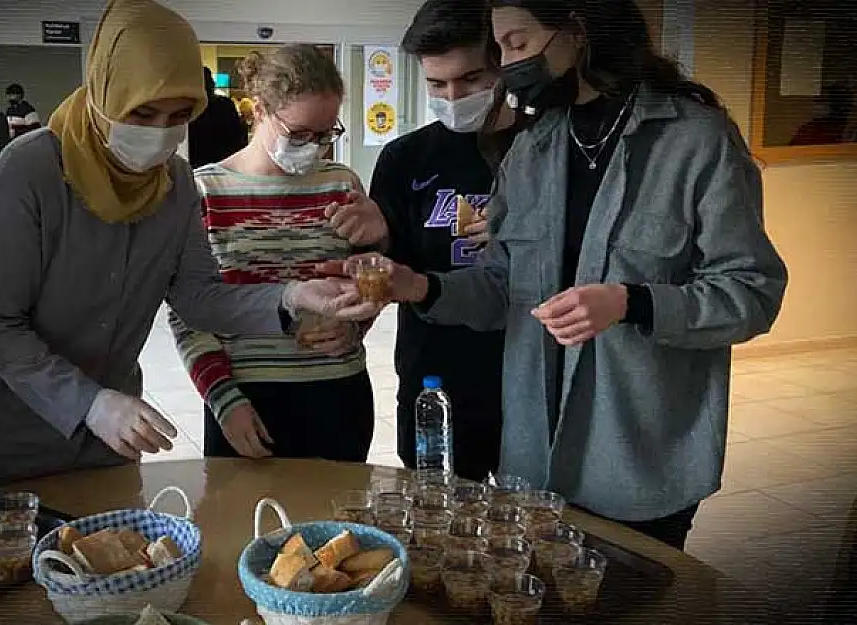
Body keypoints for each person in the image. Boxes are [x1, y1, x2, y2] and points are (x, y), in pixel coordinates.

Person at [332, 0, 788, 550]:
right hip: (533, 457)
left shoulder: (695, 140)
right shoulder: (536, 144)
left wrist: (632, 302)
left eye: (518, 44)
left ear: (578, 29)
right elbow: (504, 285)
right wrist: (420, 285)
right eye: (499, 49)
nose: (508, 63)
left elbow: (752, 290)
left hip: (635, 450)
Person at [0, 0, 370, 485]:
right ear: (104, 94)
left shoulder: (174, 182)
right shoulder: (29, 172)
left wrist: (290, 296)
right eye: (143, 112)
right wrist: (90, 403)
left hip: (102, 441)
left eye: (177, 116)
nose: (158, 134)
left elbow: (199, 298)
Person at [169, 45, 375, 461]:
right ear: (259, 110)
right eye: (299, 134)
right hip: (246, 397)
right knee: (243, 522)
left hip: (338, 388)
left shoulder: (341, 183)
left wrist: (355, 326)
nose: (314, 148)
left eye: (326, 135)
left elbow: (368, 281)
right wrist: (223, 398)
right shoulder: (204, 191)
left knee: (336, 522)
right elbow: (187, 313)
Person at [366, 0, 514, 482]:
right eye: (436, 84)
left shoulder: (543, 150)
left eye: (471, 79)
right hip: (435, 373)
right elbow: (390, 274)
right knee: (441, 515)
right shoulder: (404, 159)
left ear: (503, 65)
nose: (453, 95)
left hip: (525, 370)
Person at [187, 66, 248, 168]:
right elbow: (237, 136)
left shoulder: (188, 109)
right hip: (225, 164)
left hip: (196, 165)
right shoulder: (224, 104)